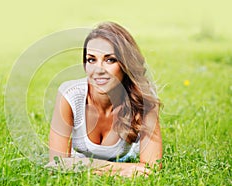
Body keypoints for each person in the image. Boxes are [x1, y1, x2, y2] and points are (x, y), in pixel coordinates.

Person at [47, 22, 162, 177]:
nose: (98, 70)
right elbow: (56, 163)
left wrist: (82, 165)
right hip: (124, 166)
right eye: (91, 60)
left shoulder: (144, 100)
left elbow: (152, 168)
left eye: (110, 60)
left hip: (119, 158)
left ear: (125, 64)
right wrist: (122, 170)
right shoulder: (70, 95)